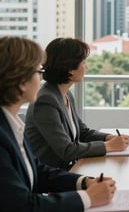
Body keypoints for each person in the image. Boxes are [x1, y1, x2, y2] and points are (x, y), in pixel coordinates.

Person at [0, 36, 117, 211]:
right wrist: (87, 198)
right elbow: (23, 205)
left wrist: (85, 182)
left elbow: (38, 172)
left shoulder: (11, 125)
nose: (41, 79)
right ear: (22, 82)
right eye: (38, 72)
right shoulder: (3, 134)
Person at [25, 37, 129, 170]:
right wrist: (109, 146)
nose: (86, 66)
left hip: (72, 167)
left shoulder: (65, 94)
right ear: (70, 68)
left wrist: (110, 138)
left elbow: (83, 132)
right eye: (83, 62)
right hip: (52, 176)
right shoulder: (45, 100)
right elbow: (67, 150)